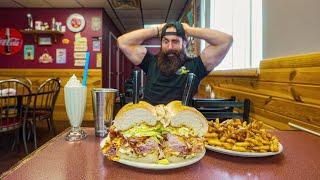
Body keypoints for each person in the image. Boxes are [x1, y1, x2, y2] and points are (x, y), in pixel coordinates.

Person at [117, 21, 232, 105]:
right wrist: (157, 30)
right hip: (150, 122)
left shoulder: (195, 66)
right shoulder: (151, 62)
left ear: (185, 43)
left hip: (180, 126)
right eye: (165, 41)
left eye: (175, 41)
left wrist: (189, 30)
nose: (170, 47)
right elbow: (122, 42)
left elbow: (226, 40)